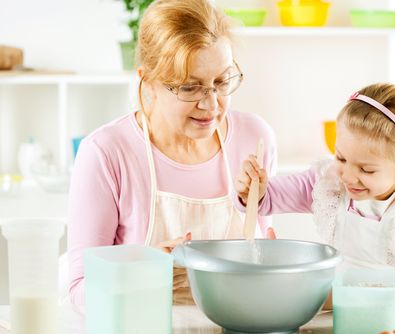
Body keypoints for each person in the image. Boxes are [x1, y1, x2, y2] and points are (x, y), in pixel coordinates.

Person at [67, 0, 277, 306]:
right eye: (190, 88)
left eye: (221, 81)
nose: (211, 104)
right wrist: (144, 272)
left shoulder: (255, 139)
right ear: (148, 81)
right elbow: (78, 293)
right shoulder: (106, 153)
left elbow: (266, 247)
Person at [235, 82, 395, 313]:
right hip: (339, 320)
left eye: (366, 170)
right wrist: (253, 190)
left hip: (389, 328)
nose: (347, 176)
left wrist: (339, 296)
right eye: (341, 158)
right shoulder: (329, 182)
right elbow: (270, 198)